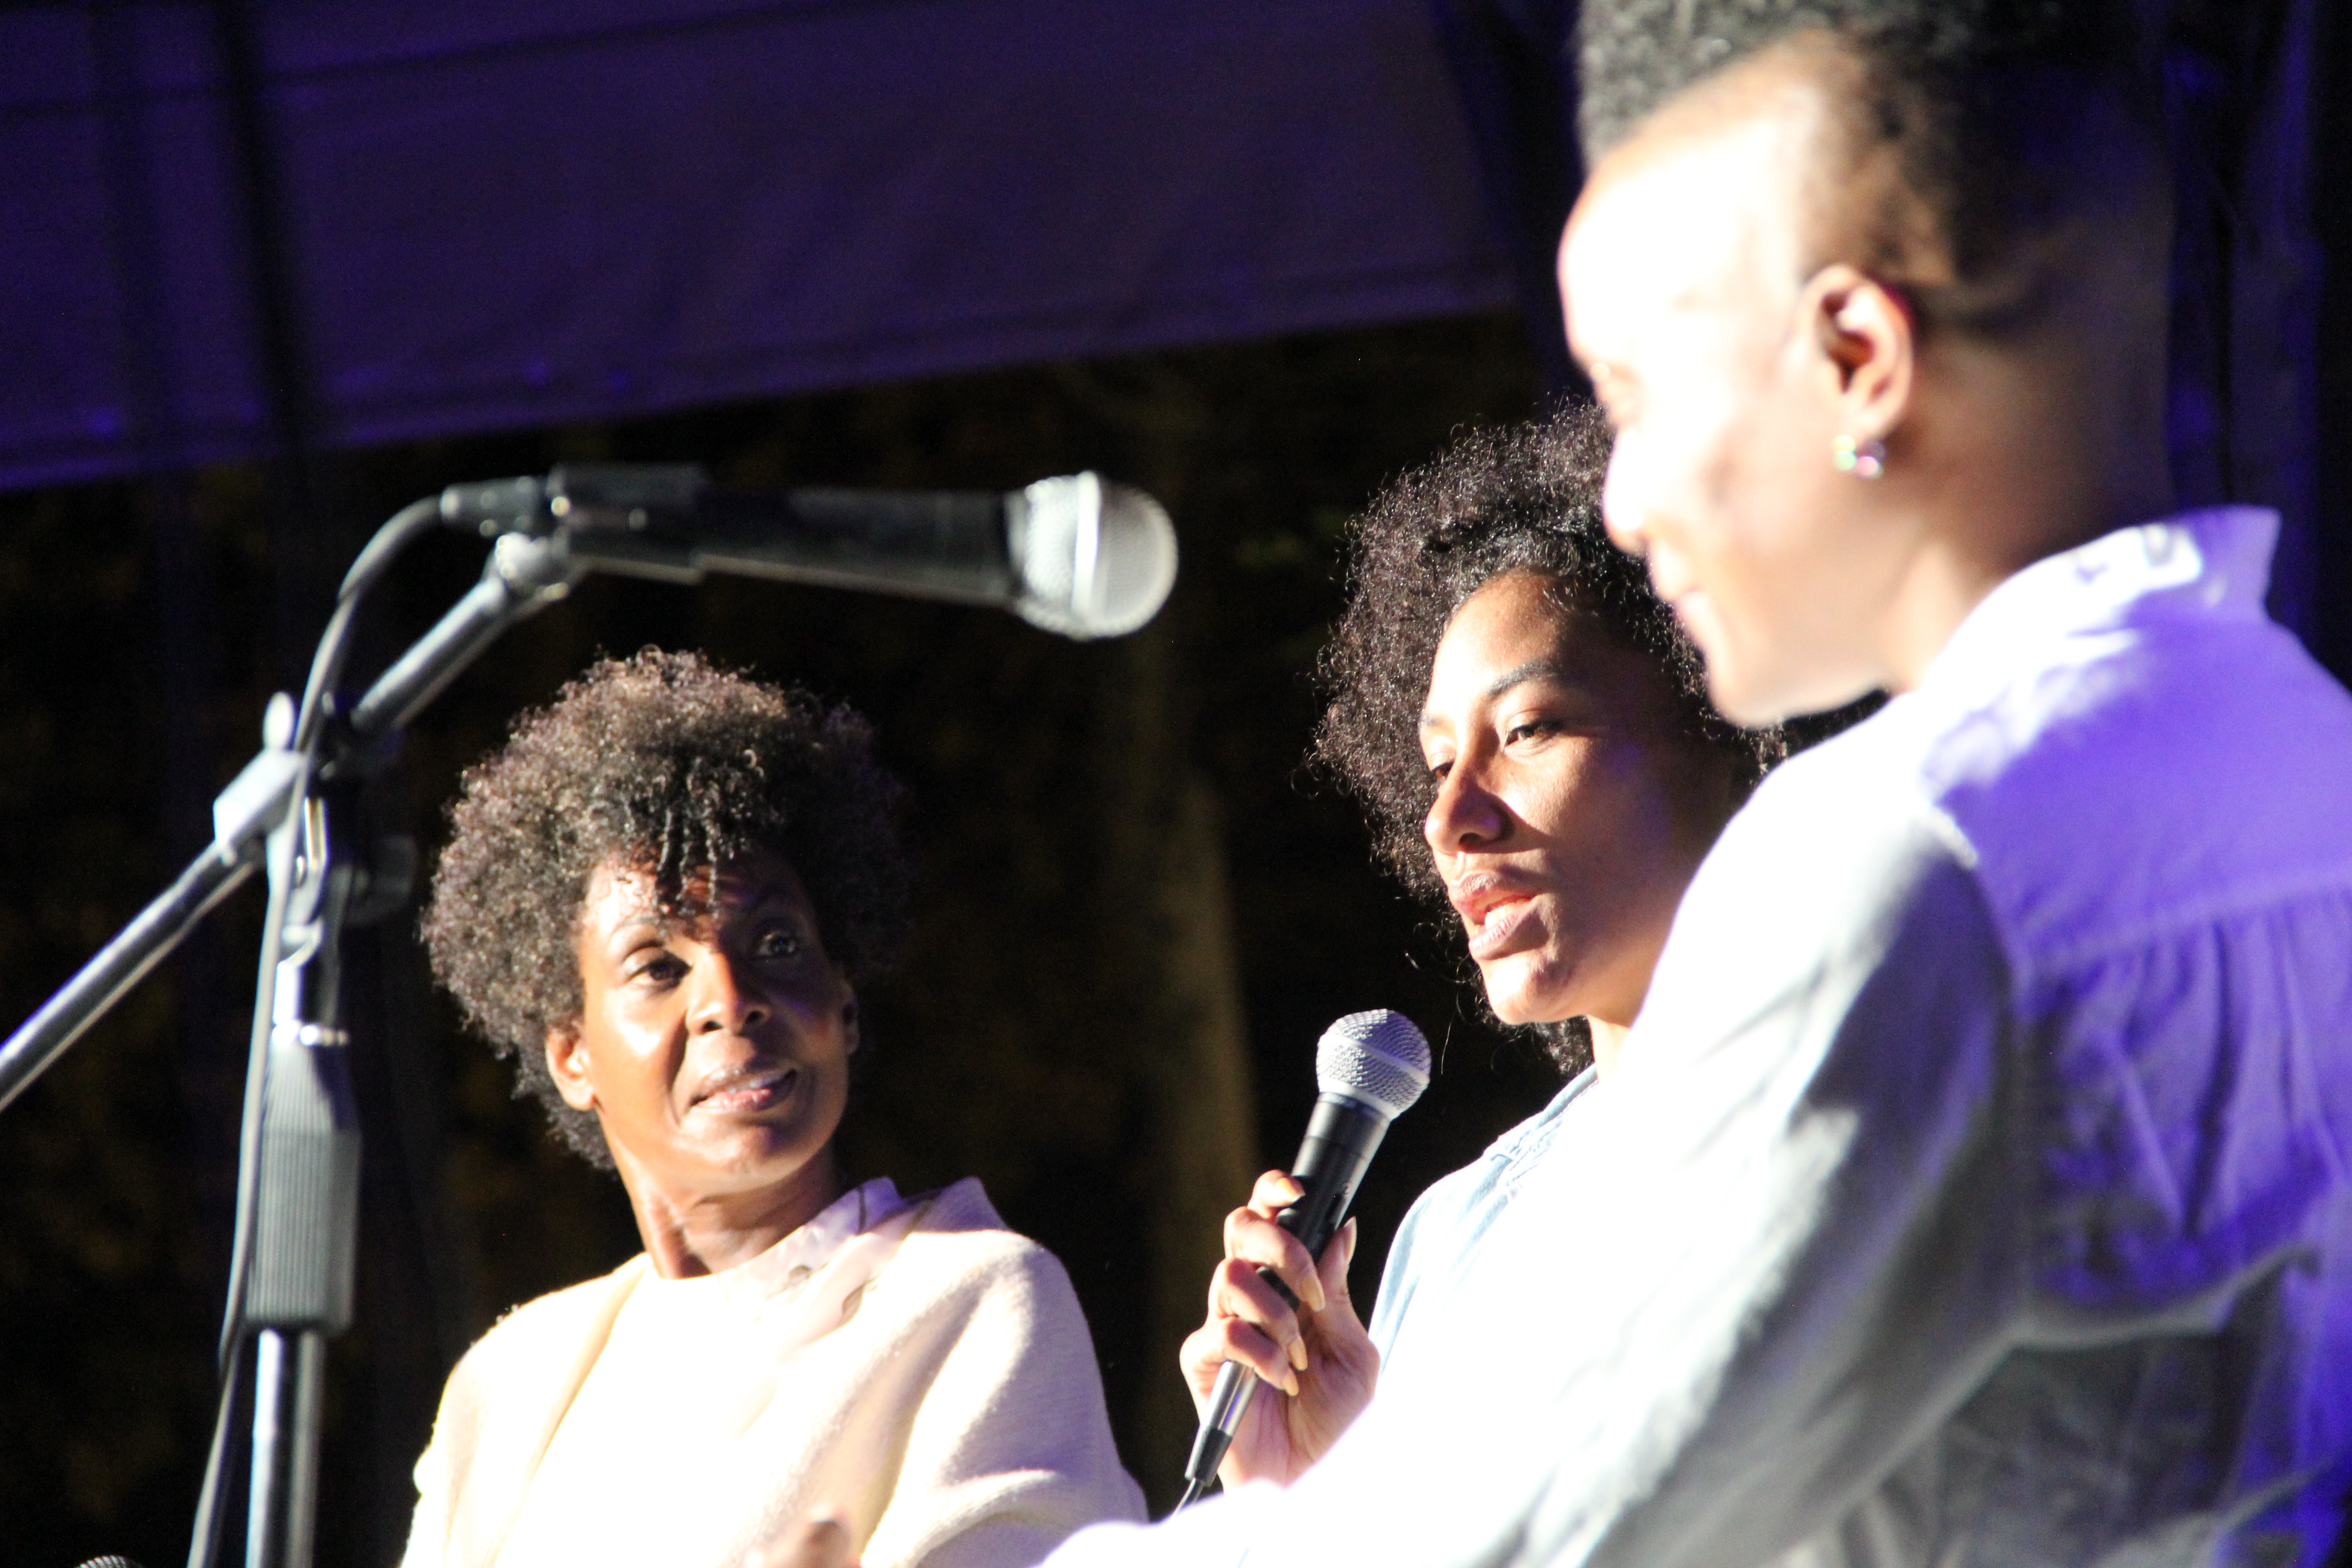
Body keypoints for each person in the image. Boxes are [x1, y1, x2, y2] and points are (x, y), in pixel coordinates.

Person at [1025, 0, 2352, 1563]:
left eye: (1640, 395)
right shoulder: (2296, 748)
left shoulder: (1919, 858)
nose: (1630, 503)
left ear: (1855, 357)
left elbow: (1510, 1536)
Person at [402, 649, 1144, 1568]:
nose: (729, 996)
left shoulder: (970, 1305)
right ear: (574, 1055)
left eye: (777, 942)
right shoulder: (508, 1388)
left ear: (843, 1005)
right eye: (658, 966)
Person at [1174, 402, 1777, 1489]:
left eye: (1530, 729)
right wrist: (1318, 1495)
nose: (1452, 819)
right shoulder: (1458, 1235)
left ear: (1731, 723)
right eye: (1435, 762)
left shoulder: (1883, 1107)